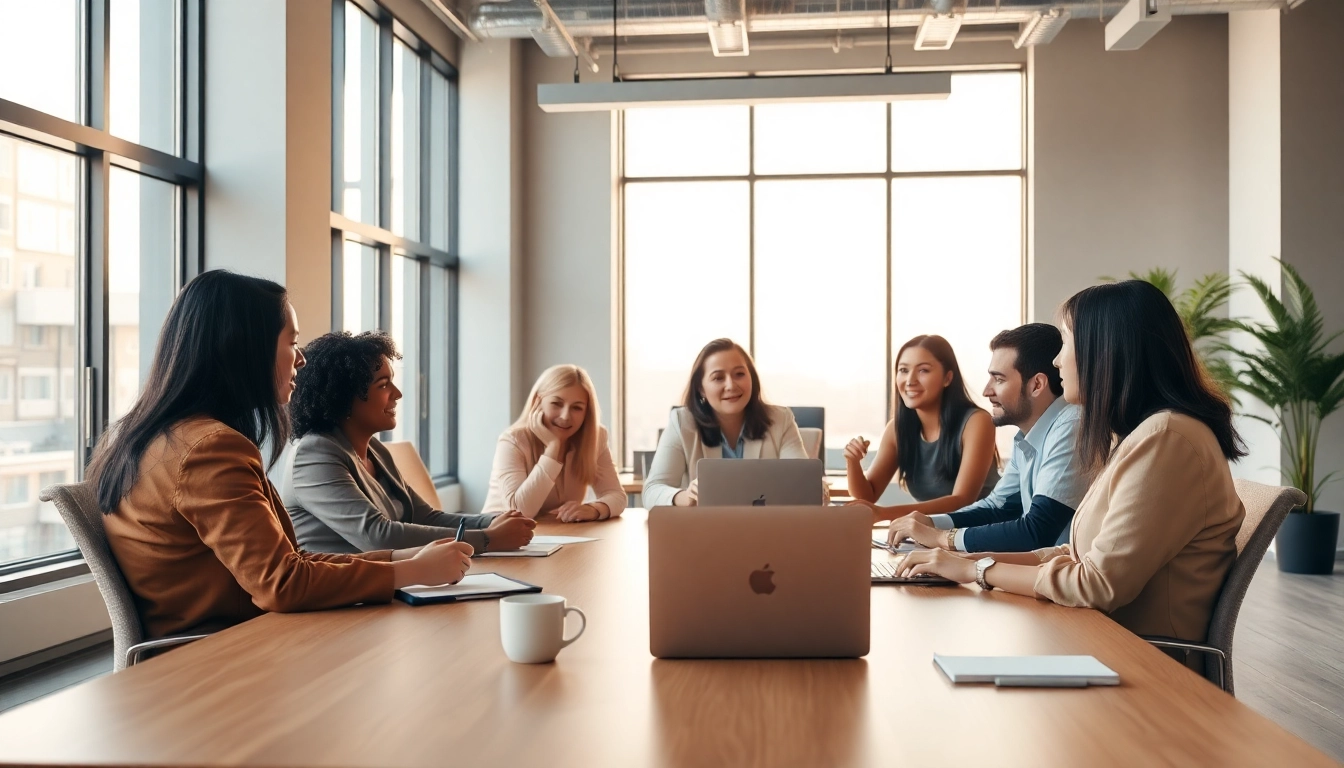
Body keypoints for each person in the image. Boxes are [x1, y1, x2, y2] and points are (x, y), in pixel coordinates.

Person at [91, 271, 473, 640]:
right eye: (292, 343)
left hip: (239, 639)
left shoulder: (162, 439)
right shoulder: (209, 449)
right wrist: (408, 571)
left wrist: (402, 562)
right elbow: (283, 583)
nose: (301, 359)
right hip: (222, 656)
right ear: (246, 349)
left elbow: (290, 563)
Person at [898, 281, 1246, 669]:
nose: (1059, 361)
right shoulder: (1142, 436)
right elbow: (1075, 554)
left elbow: (1097, 584)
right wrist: (964, 561)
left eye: (1065, 343)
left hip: (1138, 667)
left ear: (1105, 351)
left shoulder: (1167, 439)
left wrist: (974, 569)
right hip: (1094, 640)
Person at [283, 331, 536, 553]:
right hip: (343, 602)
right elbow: (378, 536)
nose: (397, 394)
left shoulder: (375, 450)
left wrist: (493, 522)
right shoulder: (314, 454)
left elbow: (425, 516)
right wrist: (487, 539)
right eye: (384, 385)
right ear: (345, 398)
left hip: (388, 588)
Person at [885, 324, 1087, 553]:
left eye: (998, 380)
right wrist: (930, 522)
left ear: (1036, 385)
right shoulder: (1027, 438)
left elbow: (1037, 531)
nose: (986, 391)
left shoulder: (1072, 425)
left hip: (1066, 579)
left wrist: (941, 538)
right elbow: (997, 508)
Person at [844, 335, 999, 522]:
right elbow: (867, 496)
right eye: (903, 370)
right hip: (931, 536)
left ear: (947, 378)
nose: (910, 380)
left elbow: (962, 501)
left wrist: (884, 513)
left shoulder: (977, 422)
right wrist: (852, 462)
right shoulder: (897, 429)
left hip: (983, 534)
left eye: (923, 370)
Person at [643, 338, 807, 508]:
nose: (730, 385)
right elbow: (652, 492)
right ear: (701, 389)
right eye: (718, 378)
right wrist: (686, 497)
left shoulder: (781, 419)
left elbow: (803, 481)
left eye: (739, 374)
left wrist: (816, 489)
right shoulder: (682, 422)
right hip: (705, 530)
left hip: (767, 529)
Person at [481, 364, 626, 522]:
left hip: (556, 534)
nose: (565, 416)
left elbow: (617, 496)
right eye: (557, 404)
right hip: (499, 538)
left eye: (577, 408)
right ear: (538, 402)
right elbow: (520, 512)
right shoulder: (512, 441)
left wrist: (594, 509)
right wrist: (552, 449)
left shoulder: (595, 438)